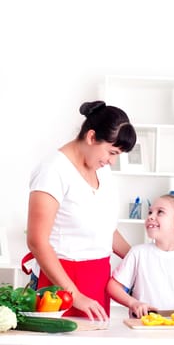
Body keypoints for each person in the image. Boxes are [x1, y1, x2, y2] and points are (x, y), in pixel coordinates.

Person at [23, 100, 137, 321]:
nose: (112, 161)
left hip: (98, 281)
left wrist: (140, 259)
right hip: (60, 285)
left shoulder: (100, 168)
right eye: (111, 152)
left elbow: (105, 228)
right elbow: (37, 241)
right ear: (92, 137)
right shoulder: (52, 171)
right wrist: (74, 295)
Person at [106, 194, 174, 318]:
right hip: (143, 327)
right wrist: (133, 303)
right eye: (150, 212)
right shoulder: (138, 253)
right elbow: (113, 286)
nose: (151, 216)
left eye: (160, 212)